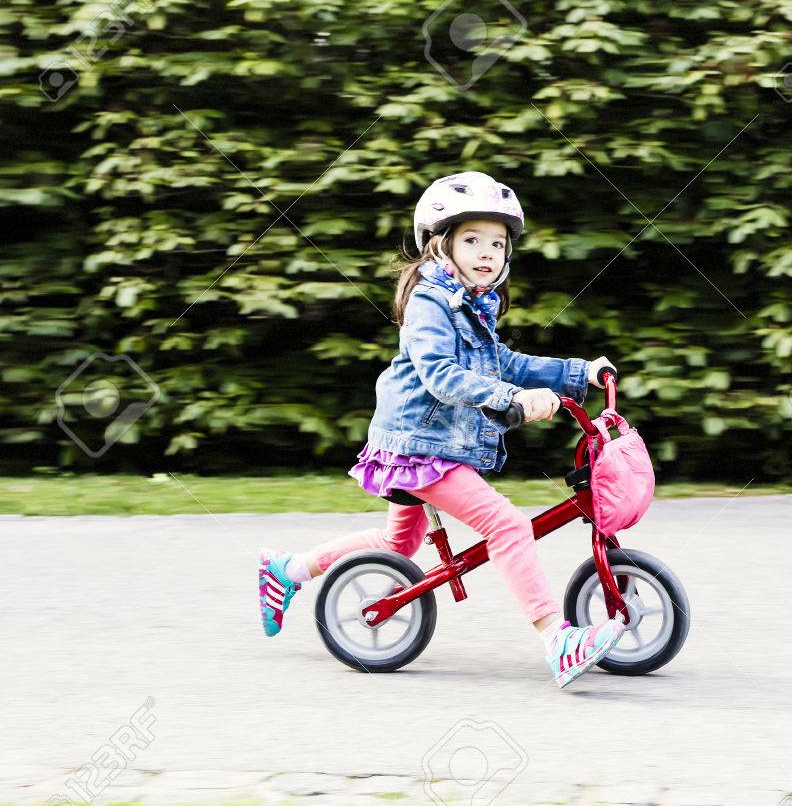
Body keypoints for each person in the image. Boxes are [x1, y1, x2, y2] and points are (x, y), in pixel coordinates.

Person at [257, 170, 624, 688]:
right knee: (508, 525)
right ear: (441, 243)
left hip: (426, 442)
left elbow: (503, 362)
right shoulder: (430, 301)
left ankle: (287, 570)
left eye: (497, 243)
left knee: (398, 545)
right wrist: (511, 399)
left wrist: (577, 371)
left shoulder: (473, 301)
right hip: (421, 445)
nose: (487, 252)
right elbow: (441, 374)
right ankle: (556, 640)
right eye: (472, 240)